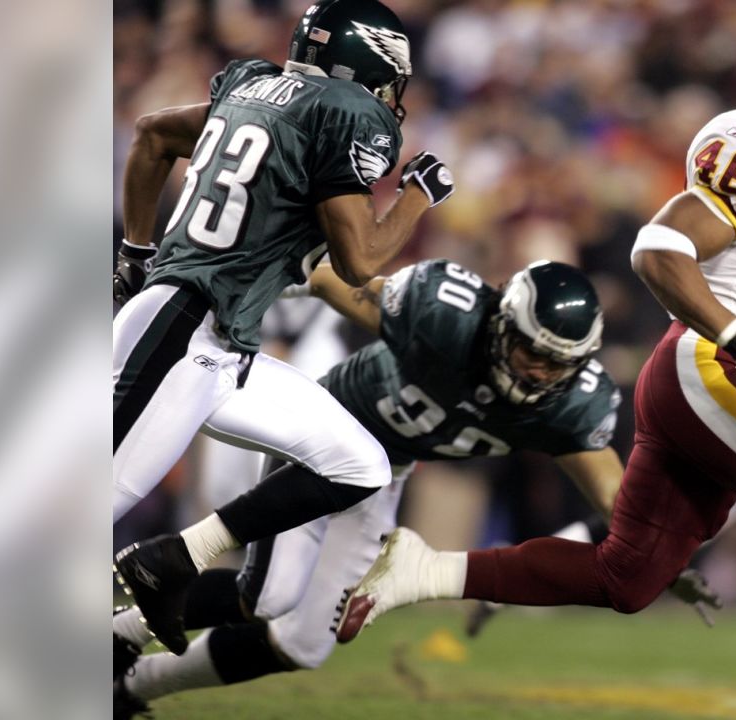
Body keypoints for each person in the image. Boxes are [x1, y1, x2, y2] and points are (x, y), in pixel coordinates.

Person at [334, 23, 736, 720]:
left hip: (721, 370)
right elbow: (660, 248)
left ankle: (422, 570)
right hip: (712, 367)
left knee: (630, 574)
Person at [112, 259, 721, 716]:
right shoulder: (446, 314)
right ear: (502, 325)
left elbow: (620, 504)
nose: (540, 372)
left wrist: (657, 554)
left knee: (301, 645)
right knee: (269, 597)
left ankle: (133, 687)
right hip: (333, 444)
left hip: (387, 474)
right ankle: (117, 636)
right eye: (532, 352)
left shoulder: (569, 407)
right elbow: (332, 281)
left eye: (558, 364)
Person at [111, 0, 454, 658]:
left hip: (220, 343)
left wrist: (135, 251)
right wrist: (420, 192)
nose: (391, 95)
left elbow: (153, 135)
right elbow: (361, 258)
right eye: (389, 77)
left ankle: (172, 561)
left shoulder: (253, 86)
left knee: (358, 464)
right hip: (184, 333)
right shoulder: (345, 112)